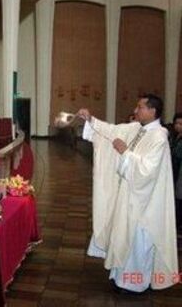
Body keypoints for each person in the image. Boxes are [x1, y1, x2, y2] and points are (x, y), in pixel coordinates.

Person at [75, 94, 178, 293]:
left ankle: (135, 284)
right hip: (129, 197)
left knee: (138, 241)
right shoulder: (137, 129)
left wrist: (125, 152)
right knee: (123, 237)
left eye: (140, 107)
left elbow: (147, 171)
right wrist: (90, 119)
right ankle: (121, 278)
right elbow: (110, 132)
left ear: (152, 111)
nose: (135, 109)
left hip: (145, 204)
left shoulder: (159, 136)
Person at [169, 112, 182, 232]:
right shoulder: (174, 137)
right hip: (174, 171)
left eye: (181, 124)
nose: (178, 126)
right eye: (176, 123)